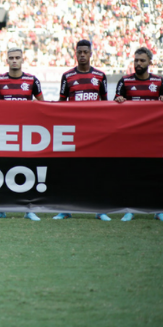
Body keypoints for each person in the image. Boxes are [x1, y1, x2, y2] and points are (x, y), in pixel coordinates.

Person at [54, 39, 110, 221]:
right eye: (80, 52)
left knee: (96, 171)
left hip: (94, 132)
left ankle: (100, 209)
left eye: (86, 52)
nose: (83, 55)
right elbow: (61, 105)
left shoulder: (100, 76)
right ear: (75, 54)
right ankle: (66, 209)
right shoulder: (67, 76)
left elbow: (105, 104)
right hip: (72, 132)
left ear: (91, 53)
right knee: (69, 171)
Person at [0, 47, 43, 221]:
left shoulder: (32, 80)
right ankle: (0, 209)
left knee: (27, 170)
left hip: (26, 133)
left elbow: (42, 104)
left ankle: (29, 209)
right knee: (2, 170)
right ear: (7, 60)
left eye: (17, 57)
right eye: (11, 57)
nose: (14, 60)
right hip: (5, 133)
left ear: (22, 59)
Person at [114, 47, 163, 222]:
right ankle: (131, 208)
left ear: (150, 62)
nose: (138, 64)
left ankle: (158, 209)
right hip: (132, 137)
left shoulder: (159, 82)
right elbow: (115, 105)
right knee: (132, 172)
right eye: (136, 60)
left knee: (156, 173)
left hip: (154, 138)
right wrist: (119, 101)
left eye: (142, 61)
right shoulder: (124, 81)